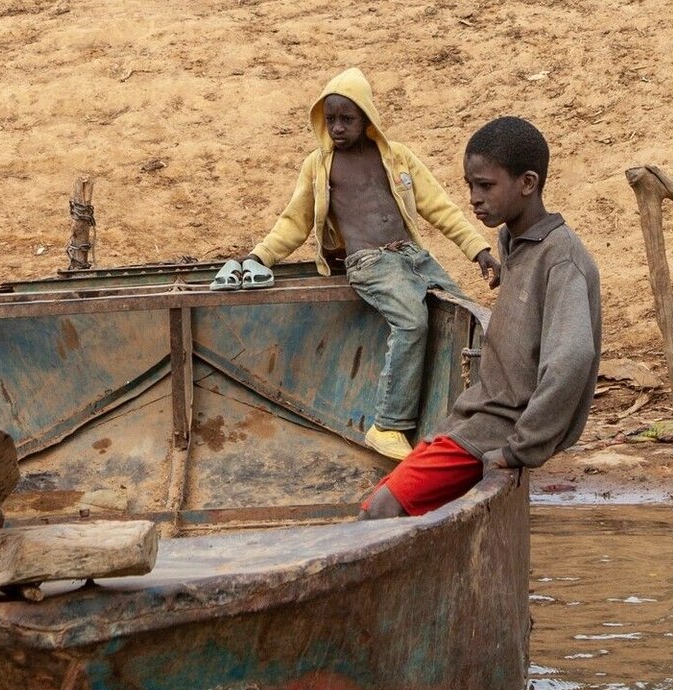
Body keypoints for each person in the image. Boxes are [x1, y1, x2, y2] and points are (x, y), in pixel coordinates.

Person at [214, 69, 502, 460]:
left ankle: (473, 417)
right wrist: (258, 257)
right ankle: (388, 425)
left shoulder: (395, 157)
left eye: (346, 119)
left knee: (463, 310)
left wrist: (479, 250)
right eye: (330, 119)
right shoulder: (319, 166)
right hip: (369, 262)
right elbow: (294, 221)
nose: (337, 127)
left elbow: (439, 206)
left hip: (411, 255)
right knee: (411, 320)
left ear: (367, 118)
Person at [363, 116, 601, 519]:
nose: (474, 197)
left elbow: (572, 358)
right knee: (377, 498)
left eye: (486, 186)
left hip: (497, 427)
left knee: (380, 511)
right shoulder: (513, 241)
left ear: (528, 183)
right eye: (471, 185)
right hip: (475, 416)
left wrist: (520, 448)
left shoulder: (561, 259)